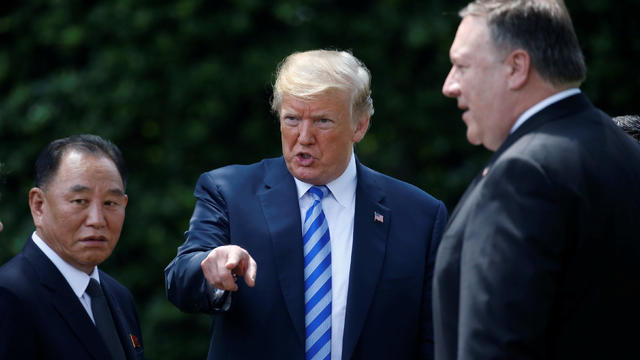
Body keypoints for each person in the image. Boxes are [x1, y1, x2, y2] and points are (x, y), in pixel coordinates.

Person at [165, 49, 447, 360]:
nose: (304, 137)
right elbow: (180, 280)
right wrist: (210, 266)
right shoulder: (230, 192)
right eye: (292, 119)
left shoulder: (420, 216)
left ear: (360, 126)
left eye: (323, 121)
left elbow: (436, 339)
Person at [432, 1, 640, 359]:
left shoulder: (524, 174)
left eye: (462, 66)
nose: (449, 85)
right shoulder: (625, 150)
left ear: (516, 67)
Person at [0, 135, 145, 359]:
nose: (97, 220)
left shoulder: (119, 296)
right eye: (80, 201)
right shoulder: (9, 295)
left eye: (110, 203)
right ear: (39, 205)